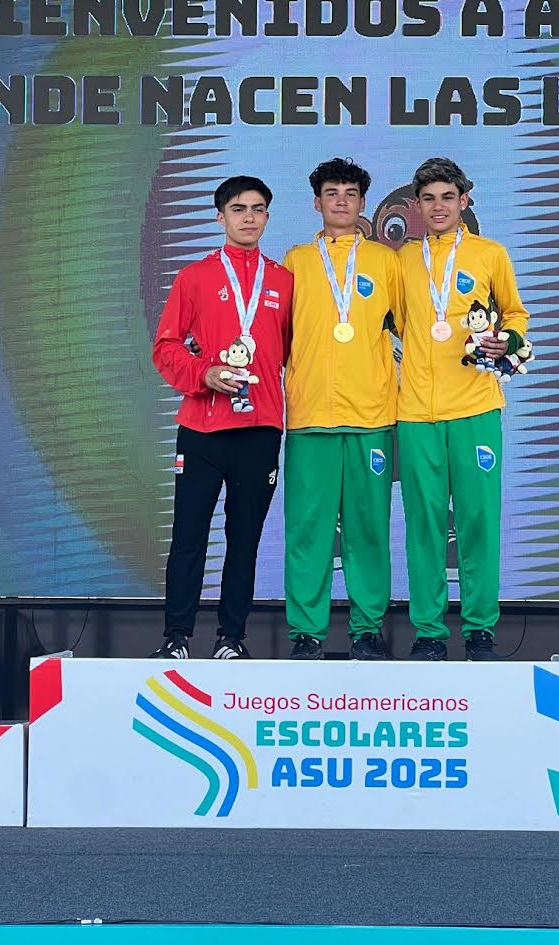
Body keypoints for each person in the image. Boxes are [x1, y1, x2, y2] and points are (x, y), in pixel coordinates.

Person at [150, 176, 292, 659]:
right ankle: (176, 638)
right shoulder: (194, 277)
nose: (249, 217)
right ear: (220, 216)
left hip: (260, 428)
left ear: (267, 216)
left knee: (244, 540)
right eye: (238, 209)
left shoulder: (284, 281)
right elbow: (165, 347)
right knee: (189, 536)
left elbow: (294, 353)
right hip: (202, 429)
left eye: (258, 208)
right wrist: (204, 373)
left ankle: (231, 639)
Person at [396, 157, 529, 661]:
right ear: (416, 205)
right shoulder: (401, 260)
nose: (438, 207)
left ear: (464, 201)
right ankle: (429, 632)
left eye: (447, 198)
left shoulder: (490, 254)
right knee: (423, 525)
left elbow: (515, 313)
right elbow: (395, 324)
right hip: (416, 413)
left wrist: (506, 340)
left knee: (477, 521)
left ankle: (479, 630)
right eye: (429, 199)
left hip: (476, 406)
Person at [282, 158, 402, 660]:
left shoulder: (386, 261)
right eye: (332, 193)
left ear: (363, 203)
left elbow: (412, 328)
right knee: (307, 529)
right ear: (317, 202)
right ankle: (306, 633)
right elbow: (276, 334)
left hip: (371, 415)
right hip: (310, 415)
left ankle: (367, 629)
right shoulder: (295, 261)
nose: (341, 201)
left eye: (350, 193)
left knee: (368, 529)